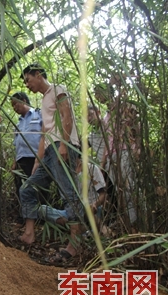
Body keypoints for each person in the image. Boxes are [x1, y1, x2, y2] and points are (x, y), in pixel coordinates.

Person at [18, 63, 82, 258]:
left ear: (38, 75)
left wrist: (63, 144)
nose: (27, 85)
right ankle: (29, 233)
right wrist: (38, 159)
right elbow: (45, 132)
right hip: (48, 153)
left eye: (28, 80)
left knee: (68, 194)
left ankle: (74, 243)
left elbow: (66, 115)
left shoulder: (58, 89)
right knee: (26, 189)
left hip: (61, 147)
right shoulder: (45, 100)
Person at [39, 155, 108, 262]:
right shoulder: (65, 173)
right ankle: (80, 230)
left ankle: (81, 231)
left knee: (83, 211)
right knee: (42, 209)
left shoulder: (91, 168)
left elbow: (103, 195)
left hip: (90, 210)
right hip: (72, 213)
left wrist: (95, 204)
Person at [94, 81, 138, 225]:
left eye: (97, 92)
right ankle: (127, 221)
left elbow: (135, 127)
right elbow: (108, 141)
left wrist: (137, 148)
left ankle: (136, 221)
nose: (96, 96)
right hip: (112, 157)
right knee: (120, 190)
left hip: (124, 152)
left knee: (128, 187)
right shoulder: (107, 116)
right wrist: (103, 163)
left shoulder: (122, 107)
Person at [10, 92, 46, 224]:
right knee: (21, 188)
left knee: (37, 188)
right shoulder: (18, 124)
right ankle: (25, 216)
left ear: (24, 100)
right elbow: (17, 144)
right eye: (12, 106)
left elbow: (45, 135)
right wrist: (15, 161)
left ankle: (41, 217)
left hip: (35, 158)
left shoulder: (38, 114)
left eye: (16, 104)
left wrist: (40, 157)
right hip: (21, 160)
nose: (14, 108)